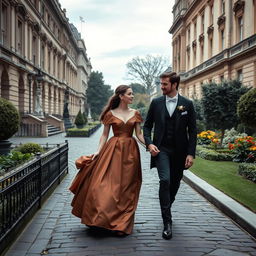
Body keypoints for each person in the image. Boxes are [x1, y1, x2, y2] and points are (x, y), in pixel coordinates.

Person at [70, 85, 145, 236]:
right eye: (130, 94)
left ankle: (122, 225)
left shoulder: (135, 113)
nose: (132, 96)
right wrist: (98, 151)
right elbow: (104, 135)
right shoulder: (110, 114)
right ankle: (100, 219)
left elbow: (139, 134)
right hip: (113, 150)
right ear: (121, 96)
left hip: (131, 153)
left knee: (126, 188)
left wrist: (149, 145)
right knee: (103, 186)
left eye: (132, 94)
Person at [143, 71, 197, 240]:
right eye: (161, 84)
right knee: (165, 181)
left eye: (165, 84)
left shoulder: (187, 104)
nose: (162, 87)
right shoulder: (156, 103)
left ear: (174, 85)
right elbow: (146, 126)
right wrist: (149, 143)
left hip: (180, 152)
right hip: (162, 150)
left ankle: (166, 205)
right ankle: (167, 222)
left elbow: (193, 131)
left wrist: (190, 153)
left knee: (174, 184)